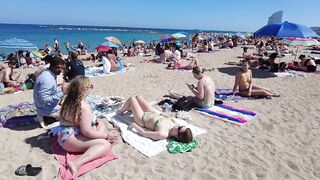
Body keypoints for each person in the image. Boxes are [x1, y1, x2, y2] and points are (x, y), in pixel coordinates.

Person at [58, 76, 117, 177]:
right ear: (84, 89)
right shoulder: (83, 106)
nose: (92, 88)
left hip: (63, 135)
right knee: (105, 145)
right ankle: (76, 163)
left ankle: (99, 140)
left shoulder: (68, 100)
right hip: (69, 140)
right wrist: (106, 136)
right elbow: (87, 132)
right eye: (91, 86)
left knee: (101, 125)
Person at [116, 96, 193, 142]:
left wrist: (134, 125)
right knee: (138, 97)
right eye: (181, 126)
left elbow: (144, 133)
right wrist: (163, 114)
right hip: (152, 113)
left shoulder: (163, 134)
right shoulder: (175, 125)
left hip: (142, 119)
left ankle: (120, 111)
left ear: (177, 136)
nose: (178, 126)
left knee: (132, 98)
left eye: (179, 128)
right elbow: (170, 118)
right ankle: (131, 108)